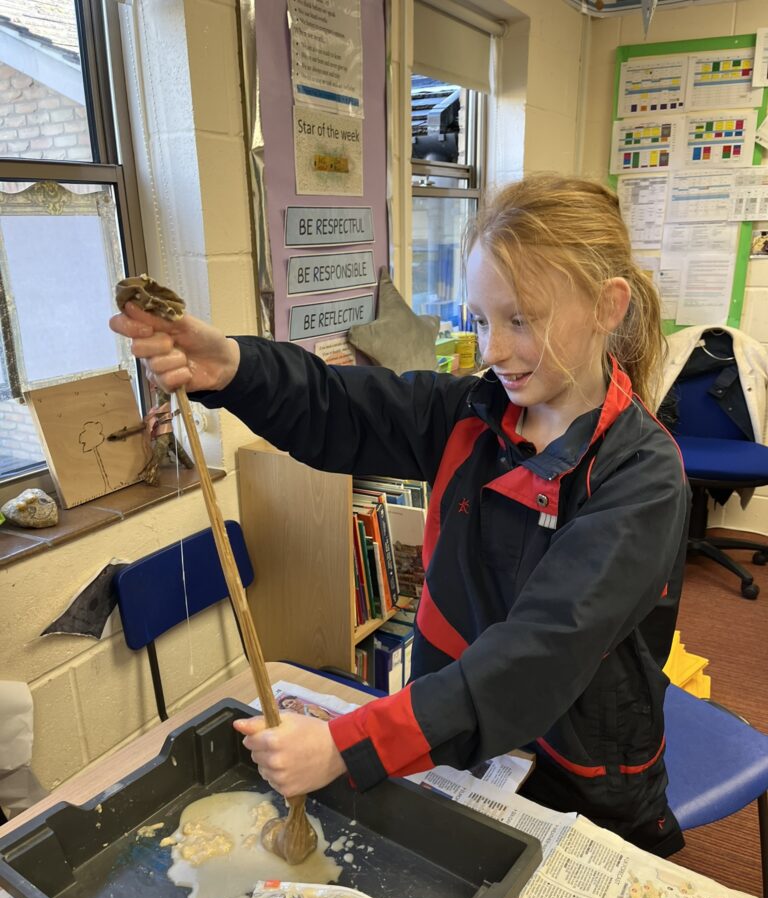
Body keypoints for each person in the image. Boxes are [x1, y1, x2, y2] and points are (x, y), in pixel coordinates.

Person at [110, 174, 689, 855]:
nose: (493, 350)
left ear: (607, 306)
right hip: (455, 734)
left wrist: (343, 746)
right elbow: (340, 406)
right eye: (480, 319)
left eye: (521, 319)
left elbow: (540, 654)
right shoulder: (473, 415)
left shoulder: (642, 477)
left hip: (578, 771)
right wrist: (233, 367)